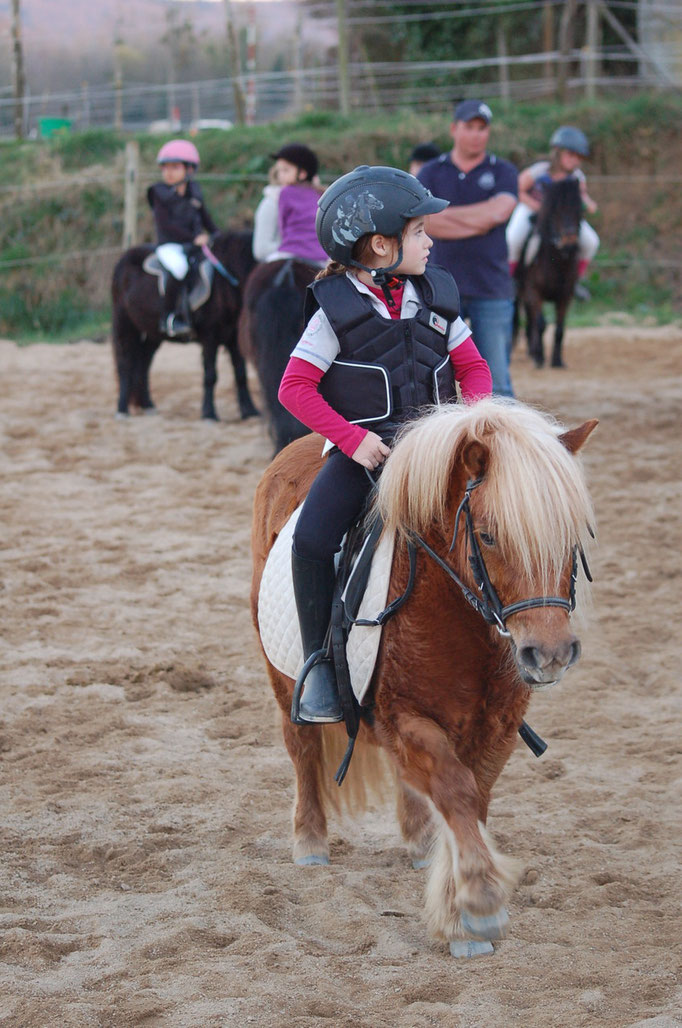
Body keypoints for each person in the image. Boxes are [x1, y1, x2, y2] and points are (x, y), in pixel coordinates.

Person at [277, 165, 492, 724]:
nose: (430, 241)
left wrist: (470, 424)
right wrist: (352, 440)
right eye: (420, 231)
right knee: (311, 539)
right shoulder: (333, 311)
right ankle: (321, 663)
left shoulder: (438, 294)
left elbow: (473, 368)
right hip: (367, 456)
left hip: (437, 454)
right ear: (381, 244)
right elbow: (293, 388)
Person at [417, 99, 518, 397]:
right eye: (469, 127)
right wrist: (480, 217)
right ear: (454, 129)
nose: (476, 134)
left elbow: (500, 213)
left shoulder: (504, 171)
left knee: (497, 382)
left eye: (482, 128)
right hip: (439, 291)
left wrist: (445, 216)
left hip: (492, 288)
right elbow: (427, 223)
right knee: (431, 379)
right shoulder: (431, 171)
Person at [506, 125, 599, 300]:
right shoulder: (540, 170)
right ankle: (510, 279)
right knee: (513, 238)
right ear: (557, 152)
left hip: (561, 218)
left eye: (578, 157)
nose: (575, 160)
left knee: (591, 241)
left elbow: (583, 198)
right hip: (533, 209)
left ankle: (575, 280)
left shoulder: (577, 177)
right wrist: (536, 206)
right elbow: (517, 189)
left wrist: (588, 204)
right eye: (571, 154)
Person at [147, 139, 218, 337]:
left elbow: (205, 216)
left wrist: (217, 235)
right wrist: (194, 237)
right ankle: (169, 317)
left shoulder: (194, 190)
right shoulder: (158, 193)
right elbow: (166, 226)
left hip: (193, 244)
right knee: (179, 267)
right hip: (171, 246)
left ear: (189, 169)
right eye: (165, 167)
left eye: (175, 167)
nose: (168, 172)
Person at [251, 143, 328, 267]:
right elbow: (262, 248)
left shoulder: (317, 197)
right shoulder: (271, 202)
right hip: (313, 256)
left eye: (285, 170)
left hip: (302, 255)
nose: (280, 175)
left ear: (302, 173)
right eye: (279, 170)